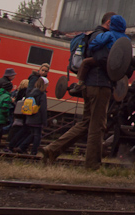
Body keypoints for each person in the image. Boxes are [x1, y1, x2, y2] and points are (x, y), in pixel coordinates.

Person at [40, 12, 123, 170]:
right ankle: (92, 165)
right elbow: (104, 60)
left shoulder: (93, 35)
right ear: (109, 22)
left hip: (90, 84)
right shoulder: (103, 37)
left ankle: (52, 150)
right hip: (100, 84)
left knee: (86, 123)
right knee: (97, 126)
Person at [15, 77, 48, 155]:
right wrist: (44, 121)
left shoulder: (31, 92)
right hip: (38, 118)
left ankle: (21, 147)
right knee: (37, 136)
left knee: (33, 134)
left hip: (30, 116)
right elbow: (43, 108)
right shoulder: (42, 94)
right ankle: (33, 152)